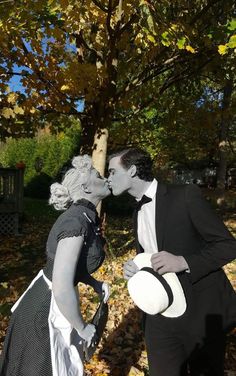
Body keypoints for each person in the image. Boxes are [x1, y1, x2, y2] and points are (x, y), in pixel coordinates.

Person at [107, 148, 236, 376]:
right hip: (160, 314)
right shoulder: (137, 208)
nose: (108, 178)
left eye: (112, 172)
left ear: (133, 170)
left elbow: (228, 245)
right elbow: (151, 252)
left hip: (200, 312)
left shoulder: (185, 195)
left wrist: (184, 262)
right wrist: (136, 266)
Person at [0, 155, 110, 376]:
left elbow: (72, 264)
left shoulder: (85, 217)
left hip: (53, 300)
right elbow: (60, 286)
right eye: (99, 176)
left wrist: (94, 283)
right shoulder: (76, 222)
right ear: (86, 188)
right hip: (45, 309)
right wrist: (82, 327)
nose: (105, 178)